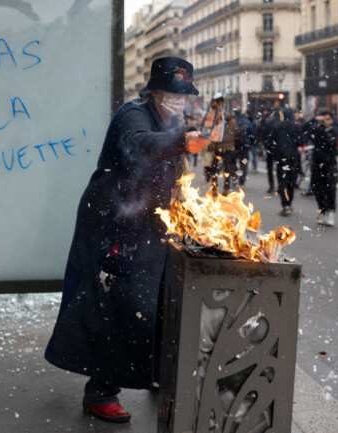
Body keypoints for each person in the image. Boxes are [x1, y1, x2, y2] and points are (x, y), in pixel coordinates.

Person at [44, 57, 210, 424]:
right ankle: (101, 391)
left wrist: (184, 206)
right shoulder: (133, 114)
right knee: (120, 302)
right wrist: (181, 140)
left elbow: (170, 169)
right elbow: (139, 145)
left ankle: (149, 370)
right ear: (155, 91)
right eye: (173, 93)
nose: (179, 100)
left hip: (150, 220)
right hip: (115, 219)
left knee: (157, 299)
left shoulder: (173, 120)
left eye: (185, 94)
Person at [304, 110, 338, 226]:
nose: (325, 121)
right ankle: (322, 210)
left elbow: (331, 144)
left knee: (330, 189)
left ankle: (331, 212)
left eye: (327, 119)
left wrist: (322, 130)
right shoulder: (316, 129)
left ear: (332, 120)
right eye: (323, 119)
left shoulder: (334, 131)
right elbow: (303, 130)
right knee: (318, 189)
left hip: (329, 164)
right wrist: (313, 120)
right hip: (317, 163)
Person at [270, 107, 302, 216]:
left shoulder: (277, 126)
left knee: (282, 180)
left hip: (280, 156)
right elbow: (300, 140)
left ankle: (285, 204)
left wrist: (275, 151)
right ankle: (289, 201)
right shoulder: (295, 126)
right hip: (292, 156)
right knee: (291, 180)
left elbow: (271, 141)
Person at [233, 107, 254, 187]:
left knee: (233, 162)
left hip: (235, 145)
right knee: (244, 163)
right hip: (245, 146)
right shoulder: (246, 121)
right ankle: (242, 180)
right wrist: (252, 144)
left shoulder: (232, 121)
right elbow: (252, 133)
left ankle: (234, 176)